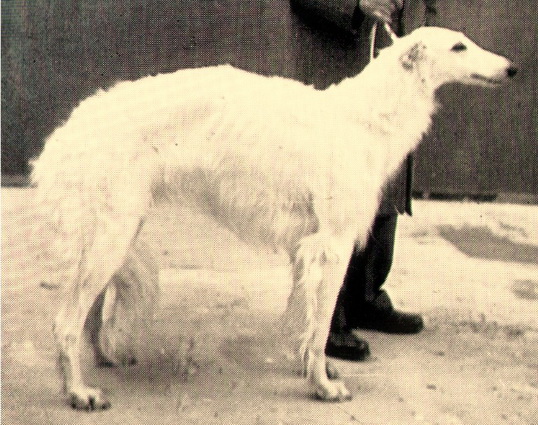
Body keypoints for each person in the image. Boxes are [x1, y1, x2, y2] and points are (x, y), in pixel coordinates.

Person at [289, 0, 437, 361]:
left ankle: (366, 298)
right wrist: (355, 5)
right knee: (334, 204)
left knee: (384, 188)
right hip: (337, 54)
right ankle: (326, 320)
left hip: (400, 59)